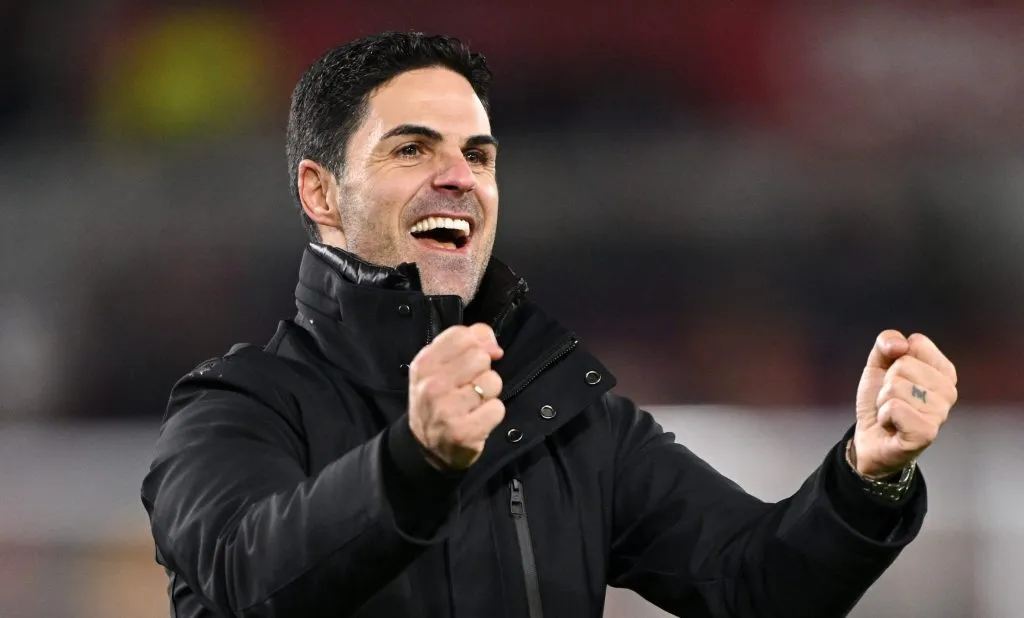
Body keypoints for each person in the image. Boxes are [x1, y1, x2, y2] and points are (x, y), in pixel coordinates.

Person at [141, 32, 959, 618]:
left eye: (480, 154)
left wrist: (868, 476)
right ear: (320, 193)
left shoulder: (562, 411)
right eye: (412, 150)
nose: (459, 177)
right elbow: (254, 581)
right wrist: (414, 463)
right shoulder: (233, 407)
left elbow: (756, 584)